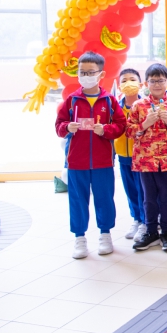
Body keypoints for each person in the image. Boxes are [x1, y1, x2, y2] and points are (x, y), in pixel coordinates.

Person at [55, 51, 126, 259]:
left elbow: (120, 125)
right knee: (78, 200)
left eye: (90, 72)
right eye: (82, 72)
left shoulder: (110, 100)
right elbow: (58, 126)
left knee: (105, 199)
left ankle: (105, 235)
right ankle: (79, 238)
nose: (86, 76)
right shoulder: (72, 100)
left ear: (101, 74)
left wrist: (106, 130)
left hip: (103, 162)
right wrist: (68, 127)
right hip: (76, 162)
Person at [126, 64, 167, 252]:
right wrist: (145, 124)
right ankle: (151, 231)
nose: (157, 84)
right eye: (153, 81)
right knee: (149, 198)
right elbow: (129, 131)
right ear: (146, 83)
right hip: (145, 160)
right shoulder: (138, 105)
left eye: (160, 80)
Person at [115, 68, 145, 242]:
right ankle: (136, 219)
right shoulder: (115, 107)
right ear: (119, 86)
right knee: (130, 189)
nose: (128, 83)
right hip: (123, 154)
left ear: (140, 84)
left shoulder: (146, 105)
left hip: (142, 155)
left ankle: (146, 221)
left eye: (132, 79)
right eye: (124, 80)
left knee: (143, 190)